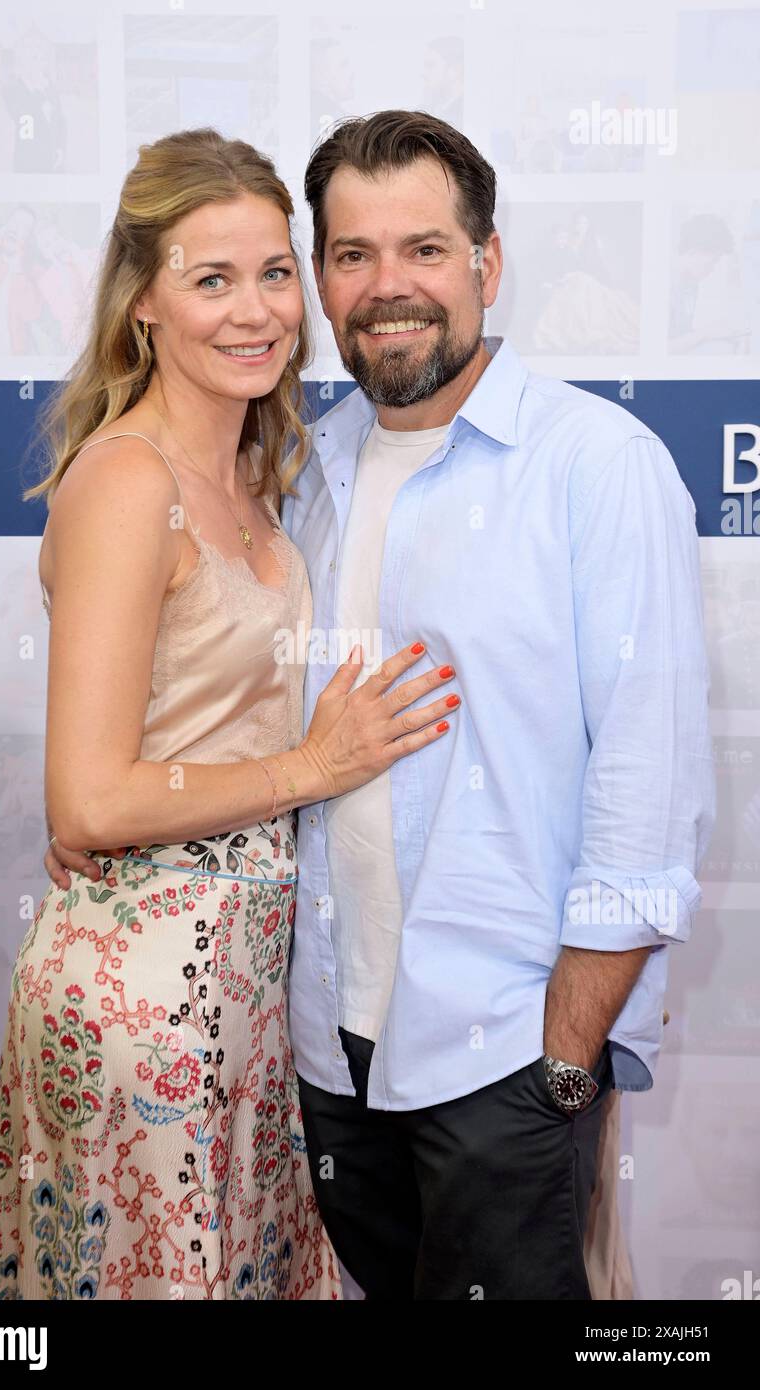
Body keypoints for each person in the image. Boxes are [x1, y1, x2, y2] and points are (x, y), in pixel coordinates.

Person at [0, 127, 461, 1301]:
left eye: (276, 272)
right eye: (211, 279)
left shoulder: (255, 468)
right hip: (141, 1003)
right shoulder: (127, 482)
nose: (256, 312)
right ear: (144, 300)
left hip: (246, 996)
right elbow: (87, 796)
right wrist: (314, 765)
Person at [277, 109, 714, 1300]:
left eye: (424, 248)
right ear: (322, 277)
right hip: (331, 1059)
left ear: (488, 261)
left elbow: (648, 786)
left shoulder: (596, 465)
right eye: (353, 255)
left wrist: (562, 1067)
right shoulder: (303, 471)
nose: (388, 287)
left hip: (504, 1068)